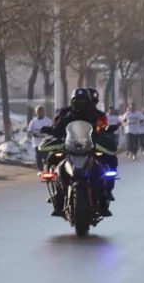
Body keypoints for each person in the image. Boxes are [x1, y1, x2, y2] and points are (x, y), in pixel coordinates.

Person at [43, 87, 116, 217]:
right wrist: (49, 130)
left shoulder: (95, 115)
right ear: (72, 101)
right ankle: (57, 197)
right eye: (77, 101)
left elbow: (103, 128)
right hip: (69, 148)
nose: (80, 103)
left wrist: (106, 132)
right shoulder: (65, 114)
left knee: (101, 170)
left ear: (88, 101)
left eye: (83, 101)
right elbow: (57, 127)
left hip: (89, 149)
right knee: (54, 162)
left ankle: (104, 199)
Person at [27, 105, 52, 171]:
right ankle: (40, 170)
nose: (40, 113)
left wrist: (47, 134)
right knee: (38, 157)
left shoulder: (48, 121)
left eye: (41, 111)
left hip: (46, 142)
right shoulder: (33, 122)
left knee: (46, 157)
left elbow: (52, 130)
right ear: (36, 112)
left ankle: (48, 169)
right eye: (38, 111)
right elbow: (30, 131)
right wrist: (34, 134)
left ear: (44, 112)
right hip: (37, 143)